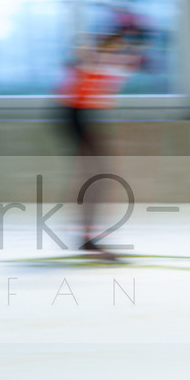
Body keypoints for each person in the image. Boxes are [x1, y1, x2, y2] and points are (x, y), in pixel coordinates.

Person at [55, 33, 137, 255]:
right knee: (97, 176)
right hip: (75, 114)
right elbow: (76, 60)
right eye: (116, 48)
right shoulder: (92, 59)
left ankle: (87, 235)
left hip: (83, 115)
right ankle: (86, 236)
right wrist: (89, 52)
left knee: (99, 176)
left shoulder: (110, 64)